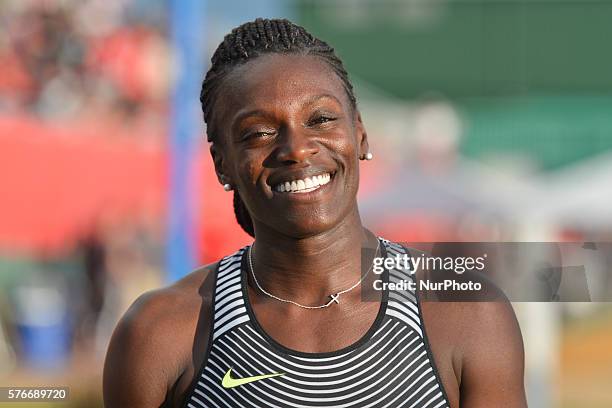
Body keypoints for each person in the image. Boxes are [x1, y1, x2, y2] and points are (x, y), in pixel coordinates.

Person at [103, 18, 526, 408]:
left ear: (359, 135)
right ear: (222, 164)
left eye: (321, 119)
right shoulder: (159, 332)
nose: (297, 149)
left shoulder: (467, 312)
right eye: (259, 133)